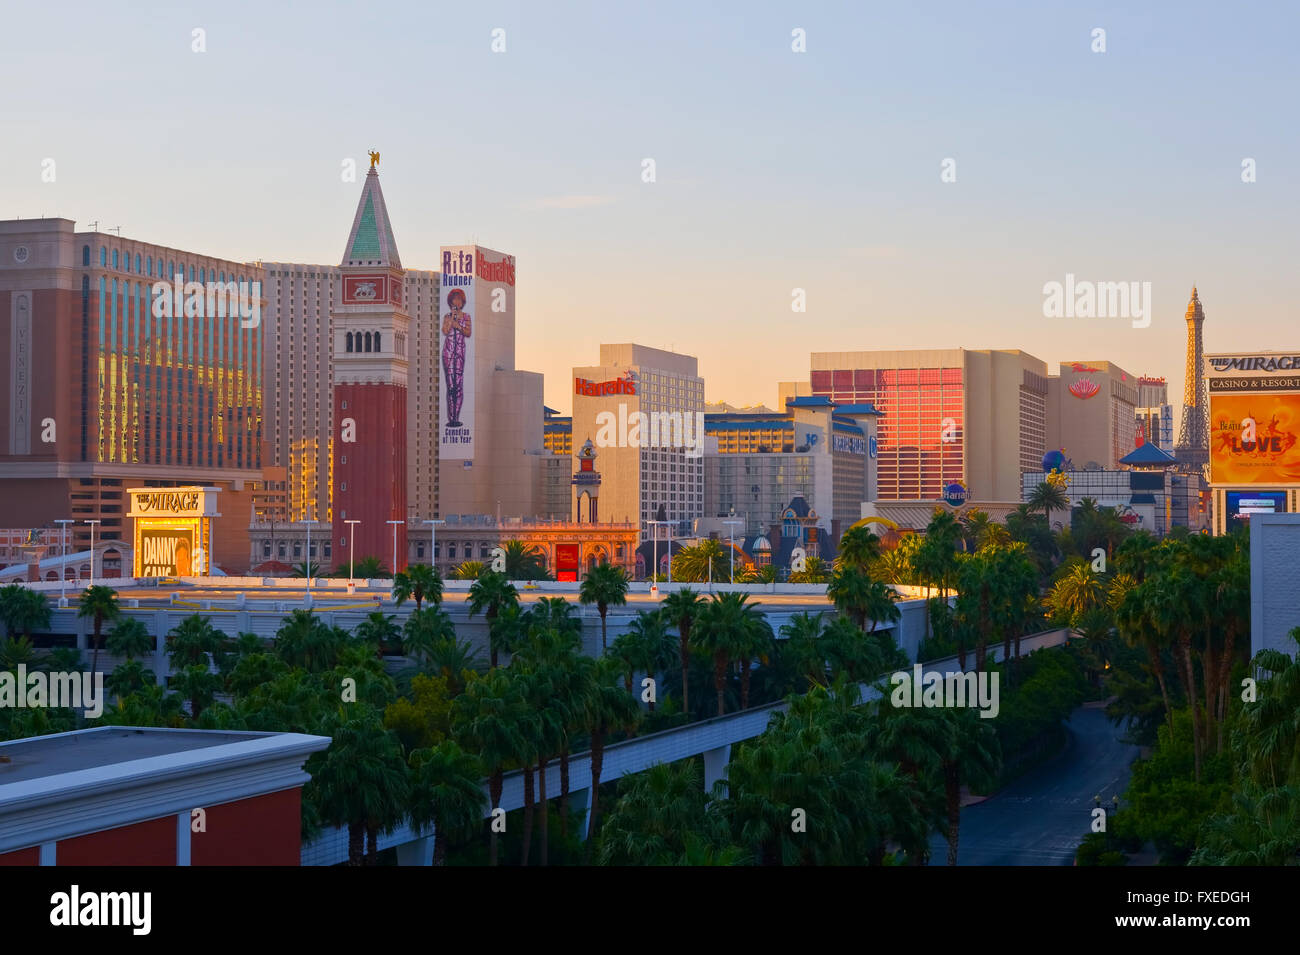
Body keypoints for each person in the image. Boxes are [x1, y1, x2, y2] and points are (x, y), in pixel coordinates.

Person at [441, 288, 472, 427]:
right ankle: (451, 417)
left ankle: (456, 417)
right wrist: (451, 320)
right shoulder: (447, 316)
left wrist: (458, 325)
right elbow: (445, 331)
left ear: (462, 302)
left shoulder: (466, 317)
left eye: (459, 299)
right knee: (450, 385)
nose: (457, 302)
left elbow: (468, 332)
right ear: (451, 301)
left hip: (459, 351)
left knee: (458, 384)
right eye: (454, 299)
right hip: (448, 351)